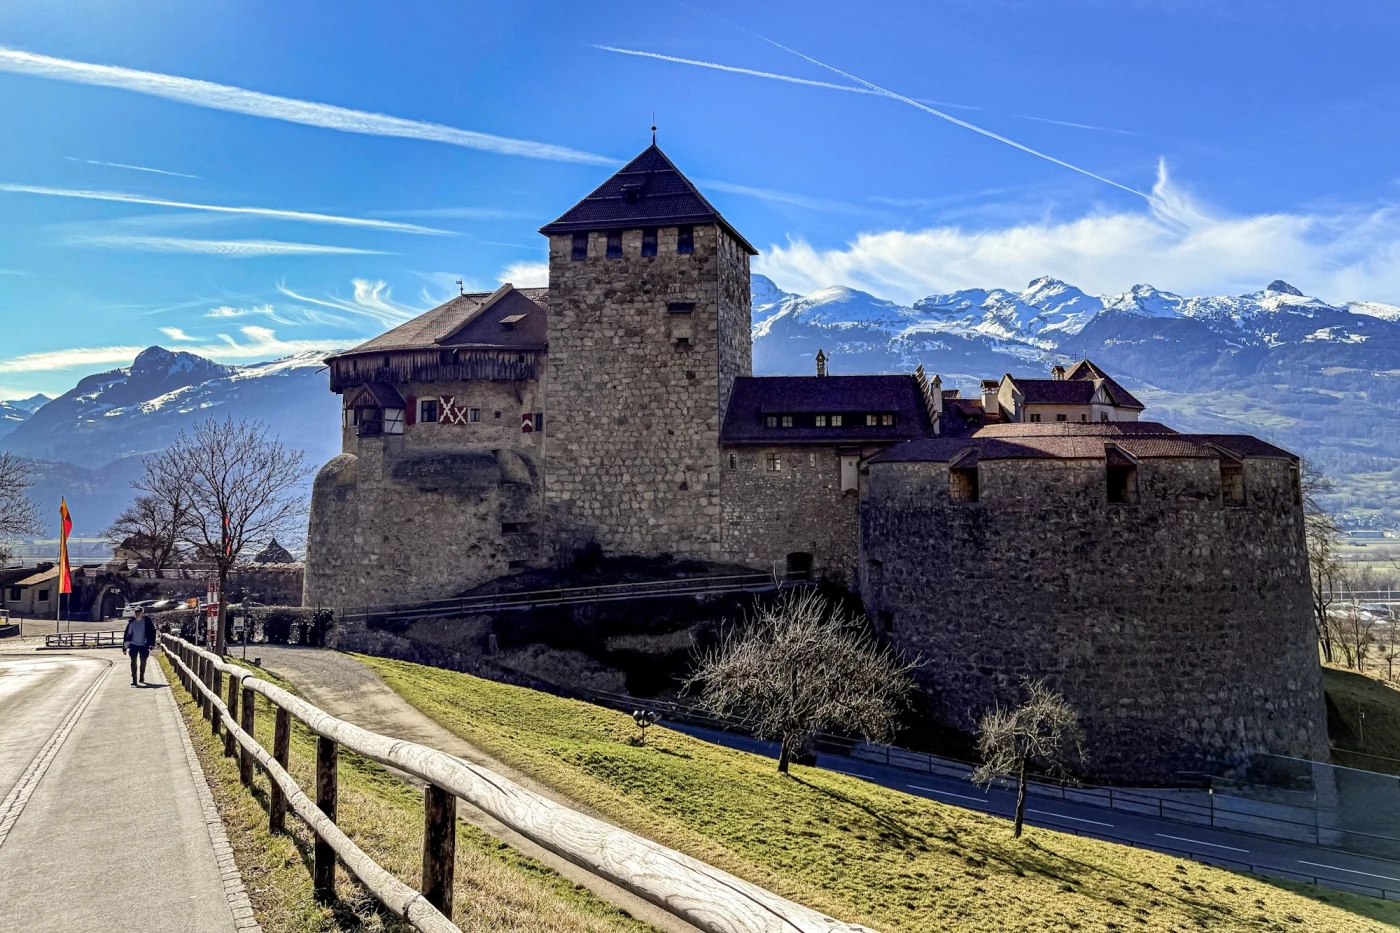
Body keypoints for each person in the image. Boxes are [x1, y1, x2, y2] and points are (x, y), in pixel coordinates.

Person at [123, 606, 156, 686]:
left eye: (139, 613)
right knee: (133, 661)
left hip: (144, 644)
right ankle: (134, 678)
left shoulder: (147, 622)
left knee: (143, 661)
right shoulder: (132, 623)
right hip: (134, 644)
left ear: (142, 613)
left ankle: (142, 675)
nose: (138, 614)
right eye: (136, 613)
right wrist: (125, 647)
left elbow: (152, 633)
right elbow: (127, 635)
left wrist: (152, 644)